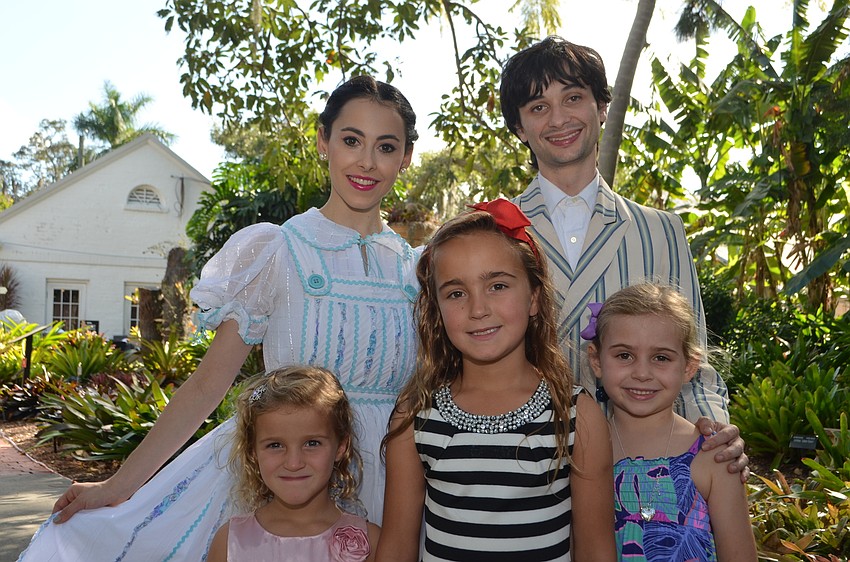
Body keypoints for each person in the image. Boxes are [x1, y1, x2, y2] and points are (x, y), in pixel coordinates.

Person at [19, 75, 418, 561]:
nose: (366, 161)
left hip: (394, 478)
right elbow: (208, 384)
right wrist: (119, 484)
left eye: (386, 146)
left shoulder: (418, 268)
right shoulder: (278, 250)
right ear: (323, 141)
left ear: (406, 158)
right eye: (351, 140)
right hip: (280, 473)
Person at [500, 36, 748, 477]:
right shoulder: (495, 231)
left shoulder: (662, 230)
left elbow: (694, 359)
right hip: (521, 462)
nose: (559, 119)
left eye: (573, 98)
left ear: (601, 108)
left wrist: (716, 433)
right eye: (538, 107)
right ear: (519, 127)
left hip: (638, 466)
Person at [377, 199, 616, 561]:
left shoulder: (576, 416)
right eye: (456, 293)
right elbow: (395, 548)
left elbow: (596, 551)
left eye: (498, 286)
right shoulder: (415, 416)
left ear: (534, 297)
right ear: (437, 312)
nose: (478, 309)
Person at [586, 283, 757, 561]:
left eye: (661, 358)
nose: (642, 373)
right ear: (596, 361)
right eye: (624, 355)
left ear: (689, 367)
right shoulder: (582, 451)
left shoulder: (714, 455)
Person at [207, 366, 379, 562]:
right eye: (275, 445)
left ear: (341, 446)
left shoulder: (370, 541)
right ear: (253, 451)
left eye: (312, 443)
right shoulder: (230, 542)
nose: (294, 463)